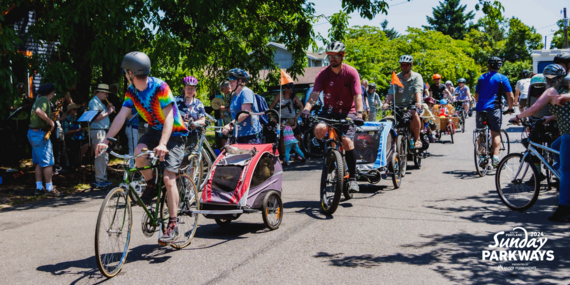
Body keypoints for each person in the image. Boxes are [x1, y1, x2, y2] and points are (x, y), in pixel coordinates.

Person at [95, 51, 189, 243]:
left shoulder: (160, 87)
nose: (125, 75)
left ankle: (172, 223)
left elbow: (169, 117)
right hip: (154, 131)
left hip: (175, 134)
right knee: (138, 153)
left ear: (130, 72)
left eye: (125, 72)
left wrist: (163, 144)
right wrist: (106, 140)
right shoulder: (132, 91)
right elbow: (121, 116)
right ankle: (152, 184)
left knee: (168, 177)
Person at [300, 40, 364, 193]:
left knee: (347, 141)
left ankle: (353, 178)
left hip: (348, 111)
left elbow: (357, 96)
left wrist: (360, 113)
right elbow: (315, 94)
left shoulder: (351, 72)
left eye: (336, 55)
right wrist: (307, 108)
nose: (332, 58)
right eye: (330, 55)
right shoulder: (323, 74)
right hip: (328, 110)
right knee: (320, 130)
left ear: (342, 56)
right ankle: (331, 156)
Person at [509, 64, 570, 222]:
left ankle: (564, 209)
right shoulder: (566, 88)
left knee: (566, 170)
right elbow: (565, 110)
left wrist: (518, 117)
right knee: (555, 147)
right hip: (565, 135)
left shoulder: (551, 91)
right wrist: (550, 118)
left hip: (568, 135)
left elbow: (534, 109)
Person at [474, 56, 514, 167]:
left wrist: (479, 105)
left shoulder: (482, 77)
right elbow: (510, 95)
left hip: (481, 109)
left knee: (481, 133)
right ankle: (496, 159)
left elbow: (476, 95)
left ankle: (482, 157)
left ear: (488, 65)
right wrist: (510, 108)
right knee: (495, 133)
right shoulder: (502, 78)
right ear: (499, 66)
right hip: (494, 109)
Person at [382, 54, 425, 149]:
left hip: (411, 105)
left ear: (411, 65)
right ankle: (396, 147)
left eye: (406, 64)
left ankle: (417, 139)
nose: (404, 66)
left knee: (414, 113)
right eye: (402, 65)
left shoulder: (417, 77)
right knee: (394, 123)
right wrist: (386, 103)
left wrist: (418, 102)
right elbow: (391, 92)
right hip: (398, 106)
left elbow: (418, 90)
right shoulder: (396, 77)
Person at [28, 83, 62, 197]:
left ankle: (39, 187)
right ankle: (49, 188)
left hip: (33, 133)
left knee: (38, 162)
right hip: (40, 134)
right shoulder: (43, 100)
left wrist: (50, 115)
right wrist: (51, 121)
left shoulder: (38, 99)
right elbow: (38, 111)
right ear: (51, 93)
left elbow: (39, 113)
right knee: (47, 163)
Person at [221, 68, 263, 144]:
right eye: (229, 81)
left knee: (250, 156)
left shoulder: (245, 92)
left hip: (250, 133)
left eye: (232, 81)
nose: (230, 83)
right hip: (238, 133)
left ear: (240, 81)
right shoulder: (234, 94)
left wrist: (230, 125)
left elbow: (245, 113)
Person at [89, 83, 115, 188]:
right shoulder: (94, 102)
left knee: (104, 155)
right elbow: (97, 117)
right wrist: (109, 112)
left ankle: (103, 178)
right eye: (105, 93)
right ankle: (99, 179)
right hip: (98, 131)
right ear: (99, 92)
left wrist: (107, 109)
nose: (107, 96)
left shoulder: (100, 102)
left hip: (102, 131)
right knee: (100, 155)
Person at [269, 82, 304, 157]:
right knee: (283, 138)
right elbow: (271, 107)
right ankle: (285, 155)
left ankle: (297, 155)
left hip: (292, 119)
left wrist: (297, 115)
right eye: (287, 88)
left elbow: (301, 106)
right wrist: (271, 117)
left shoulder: (294, 96)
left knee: (297, 136)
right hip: (282, 119)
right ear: (284, 87)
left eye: (290, 88)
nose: (289, 90)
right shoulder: (279, 95)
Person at [175, 76, 206, 153]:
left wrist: (194, 123)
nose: (190, 90)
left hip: (193, 136)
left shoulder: (199, 104)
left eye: (192, 88)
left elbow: (203, 120)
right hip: (177, 135)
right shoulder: (176, 100)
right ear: (184, 88)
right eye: (188, 88)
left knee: (192, 159)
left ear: (195, 89)